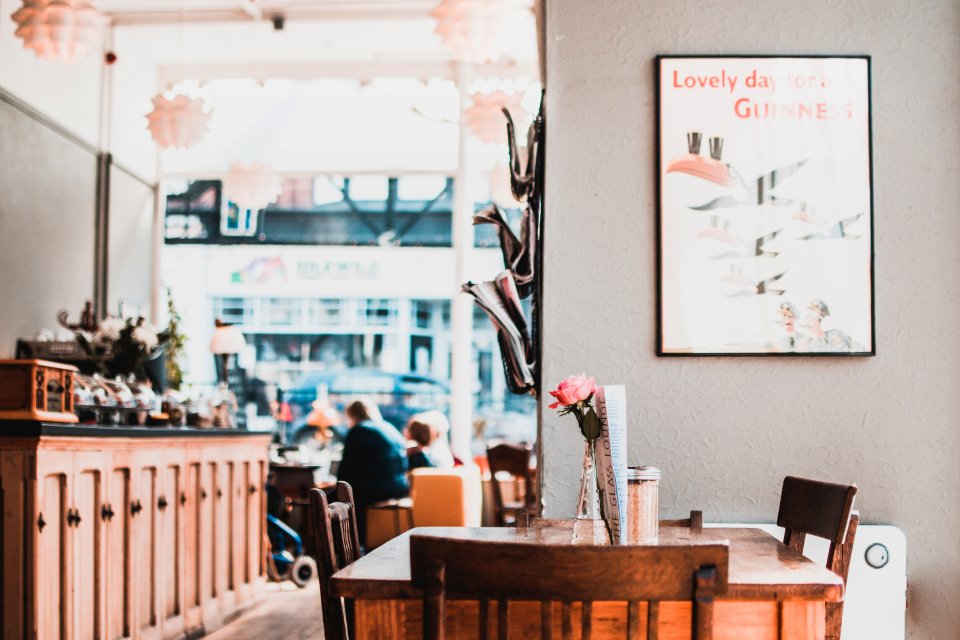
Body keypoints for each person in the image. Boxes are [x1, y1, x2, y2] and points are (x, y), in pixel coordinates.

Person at [335, 397, 409, 540]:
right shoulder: (389, 427)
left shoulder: (359, 430)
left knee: (335, 499)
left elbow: (346, 468)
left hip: (377, 490)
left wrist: (336, 485)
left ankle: (347, 544)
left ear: (352, 415)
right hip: (399, 486)